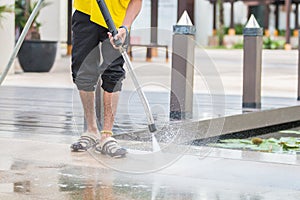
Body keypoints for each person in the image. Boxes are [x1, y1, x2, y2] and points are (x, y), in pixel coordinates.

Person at [70, 0, 142, 158]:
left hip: (116, 21)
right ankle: (91, 131)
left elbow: (136, 1)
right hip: (85, 15)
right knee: (82, 72)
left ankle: (107, 136)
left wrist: (125, 27)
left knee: (113, 74)